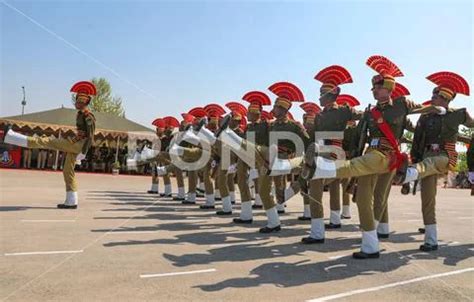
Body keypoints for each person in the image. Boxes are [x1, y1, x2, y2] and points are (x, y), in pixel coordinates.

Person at [3, 81, 96, 209]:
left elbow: (91, 136)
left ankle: (13, 137)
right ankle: (71, 201)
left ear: (84, 102)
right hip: (76, 142)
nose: (76, 102)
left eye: (79, 100)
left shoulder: (88, 116)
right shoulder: (80, 114)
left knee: (48, 140)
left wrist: (84, 152)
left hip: (79, 144)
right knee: (68, 171)